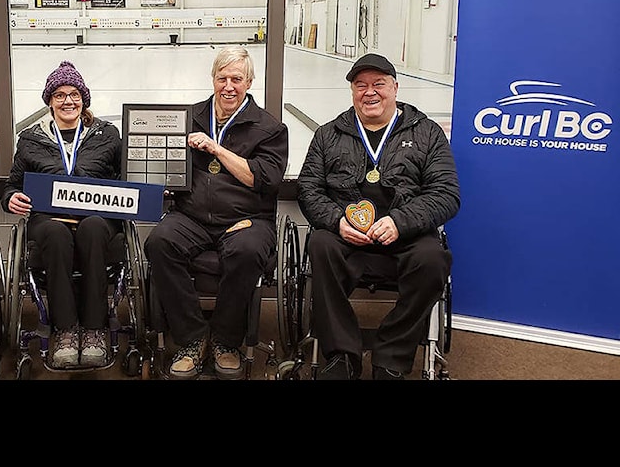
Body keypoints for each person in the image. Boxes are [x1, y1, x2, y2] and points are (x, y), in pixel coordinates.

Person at [296, 53, 460, 380]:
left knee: (434, 260)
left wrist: (401, 221)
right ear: (352, 92)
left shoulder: (427, 133)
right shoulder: (329, 134)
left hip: (406, 239)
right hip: (347, 238)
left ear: (395, 88)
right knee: (320, 244)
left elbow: (446, 193)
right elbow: (308, 189)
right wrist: (337, 221)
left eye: (378, 85)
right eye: (361, 86)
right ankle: (342, 354)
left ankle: (391, 356)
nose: (369, 92)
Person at [143, 46, 288, 380]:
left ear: (249, 82)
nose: (228, 86)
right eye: (222, 77)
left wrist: (216, 148)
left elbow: (262, 179)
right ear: (212, 79)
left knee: (248, 251)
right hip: (191, 218)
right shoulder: (188, 116)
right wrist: (159, 179)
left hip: (247, 220)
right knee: (160, 243)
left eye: (236, 79)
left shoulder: (269, 128)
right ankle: (194, 339)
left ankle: (225, 341)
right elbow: (165, 166)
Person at [2, 61, 123, 369]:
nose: (68, 101)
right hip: (49, 220)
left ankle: (95, 329)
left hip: (98, 217)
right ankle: (66, 330)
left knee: (93, 228)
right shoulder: (31, 139)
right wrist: (11, 198)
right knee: (55, 233)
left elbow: (126, 178)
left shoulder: (106, 134)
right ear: (50, 101)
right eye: (59, 95)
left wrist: (149, 191)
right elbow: (12, 186)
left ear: (84, 99)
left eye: (74, 94)